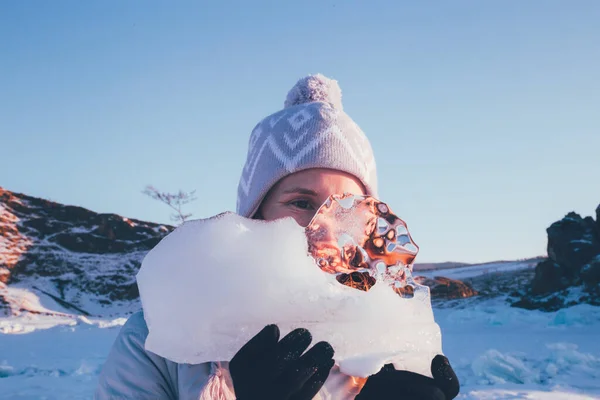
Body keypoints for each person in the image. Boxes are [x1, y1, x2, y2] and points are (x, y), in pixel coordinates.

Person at [95, 74, 460, 400]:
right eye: (301, 202)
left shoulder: (389, 333)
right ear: (255, 214)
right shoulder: (162, 334)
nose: (325, 225)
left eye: (347, 208)